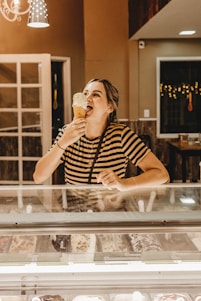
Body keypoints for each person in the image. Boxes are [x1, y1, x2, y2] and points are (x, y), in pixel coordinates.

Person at [33, 78, 169, 191]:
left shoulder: (121, 135)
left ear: (110, 107)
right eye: (85, 93)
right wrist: (62, 143)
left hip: (109, 213)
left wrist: (124, 183)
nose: (87, 98)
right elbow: (38, 177)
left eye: (95, 94)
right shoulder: (67, 133)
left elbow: (162, 175)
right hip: (75, 214)